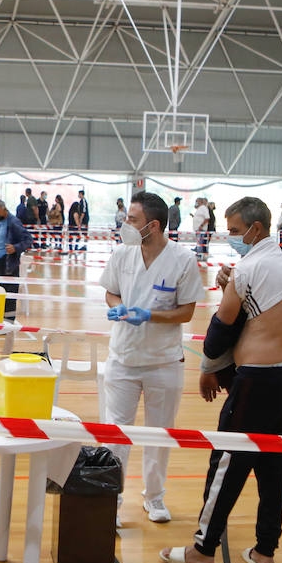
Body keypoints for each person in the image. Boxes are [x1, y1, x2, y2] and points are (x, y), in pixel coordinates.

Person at [161, 196, 282, 563]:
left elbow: (220, 331)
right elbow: (264, 312)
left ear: (255, 229)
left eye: (234, 231)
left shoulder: (248, 268)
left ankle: (202, 550)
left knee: (226, 463)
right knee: (273, 467)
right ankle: (264, 552)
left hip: (255, 384)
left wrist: (208, 367)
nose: (231, 239)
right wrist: (233, 285)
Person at [100, 192, 207, 526]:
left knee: (159, 435)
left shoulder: (183, 260)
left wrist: (148, 315)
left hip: (163, 361)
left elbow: (187, 311)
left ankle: (154, 497)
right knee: (116, 434)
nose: (125, 224)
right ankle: (112, 499)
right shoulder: (122, 254)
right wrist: (116, 305)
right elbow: (110, 290)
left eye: (132, 219)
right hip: (123, 358)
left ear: (153, 225)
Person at [0, 200, 31, 322]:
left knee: (9, 296)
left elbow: (28, 240)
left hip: (9, 265)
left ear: (3, 209)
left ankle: (8, 323)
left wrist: (15, 248)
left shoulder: (14, 222)